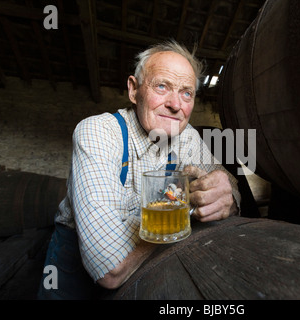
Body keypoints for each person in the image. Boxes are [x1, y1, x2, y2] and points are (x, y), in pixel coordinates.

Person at [37, 40, 241, 299]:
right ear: (134, 90)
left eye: (186, 92)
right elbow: (109, 271)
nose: (175, 104)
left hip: (145, 259)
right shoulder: (98, 132)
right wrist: (180, 220)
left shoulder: (187, 137)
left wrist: (227, 197)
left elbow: (230, 187)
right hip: (72, 258)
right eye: (162, 86)